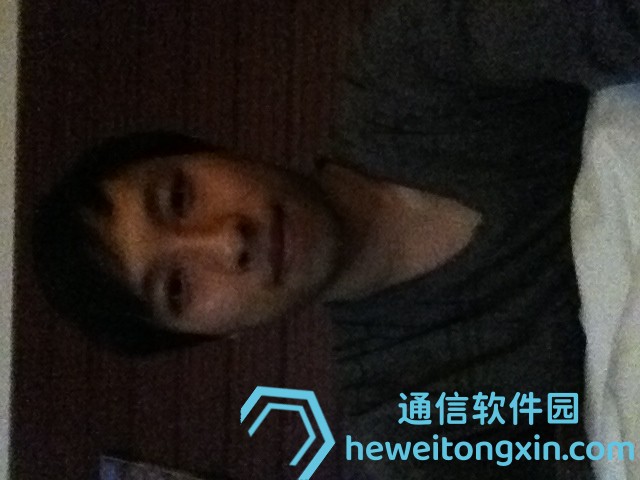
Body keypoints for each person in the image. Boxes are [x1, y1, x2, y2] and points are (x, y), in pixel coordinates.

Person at [33, 0, 640, 478]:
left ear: (210, 151)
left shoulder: (409, 71)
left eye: (179, 197)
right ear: (219, 334)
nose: (226, 242)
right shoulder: (404, 425)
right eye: (178, 288)